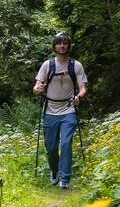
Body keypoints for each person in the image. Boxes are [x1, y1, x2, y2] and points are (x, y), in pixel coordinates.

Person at [33, 32, 88, 189]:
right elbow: (36, 88)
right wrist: (38, 89)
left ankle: (64, 178)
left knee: (65, 144)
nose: (62, 46)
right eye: (59, 43)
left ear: (68, 46)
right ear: (54, 46)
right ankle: (54, 171)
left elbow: (83, 88)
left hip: (68, 110)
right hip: (50, 111)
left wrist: (78, 97)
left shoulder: (76, 65)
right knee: (51, 147)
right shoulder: (47, 65)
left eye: (65, 43)